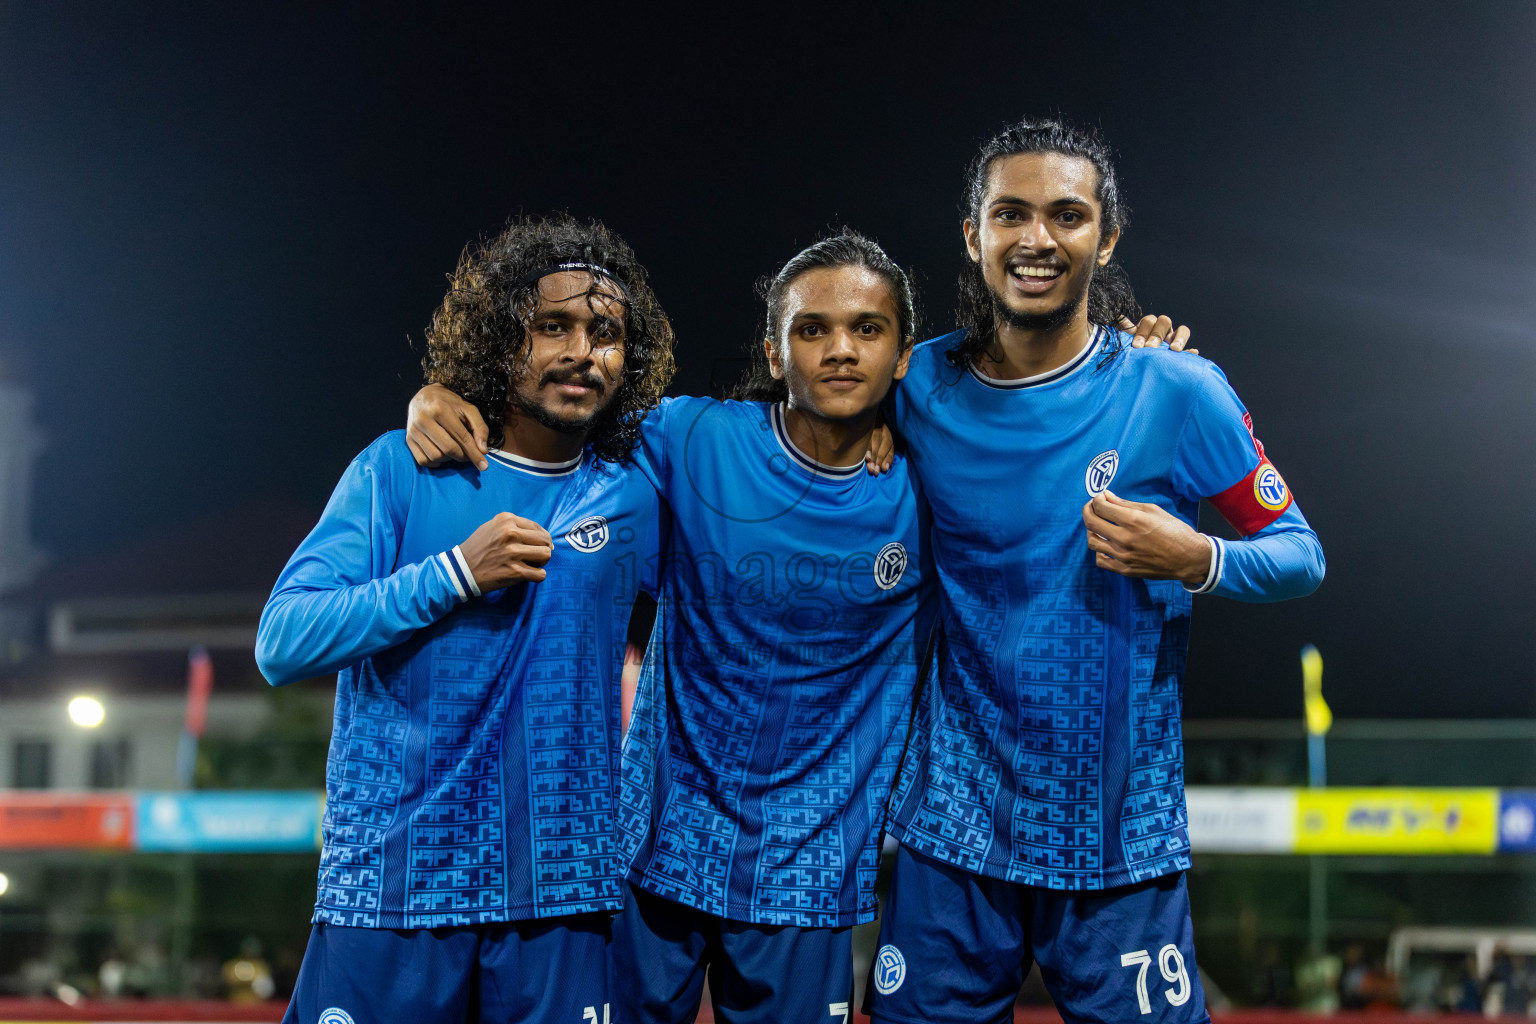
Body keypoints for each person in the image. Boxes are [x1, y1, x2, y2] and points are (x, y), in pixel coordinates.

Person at [405, 230, 1196, 1024]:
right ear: (777, 354)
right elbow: (556, 433)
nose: (840, 351)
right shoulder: (691, 439)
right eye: (812, 330)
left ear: (903, 357)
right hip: (651, 853)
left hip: (806, 878)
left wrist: (1128, 362)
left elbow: (1043, 450)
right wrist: (446, 392)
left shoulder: (931, 487)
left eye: (867, 330)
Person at [868, 117, 1325, 1024]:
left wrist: (1198, 558)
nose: (1038, 239)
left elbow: (1300, 554)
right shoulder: (911, 386)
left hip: (1119, 841)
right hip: (951, 834)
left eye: (1067, 215)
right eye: (1011, 215)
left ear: (1106, 236)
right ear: (974, 235)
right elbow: (779, 416)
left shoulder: (1177, 390)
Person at [256, 214, 675, 1024]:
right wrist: (452, 574)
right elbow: (283, 639)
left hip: (561, 890)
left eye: (605, 333)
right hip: (393, 884)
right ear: (498, 338)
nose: (581, 352)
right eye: (550, 326)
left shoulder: (640, 489)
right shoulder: (401, 466)